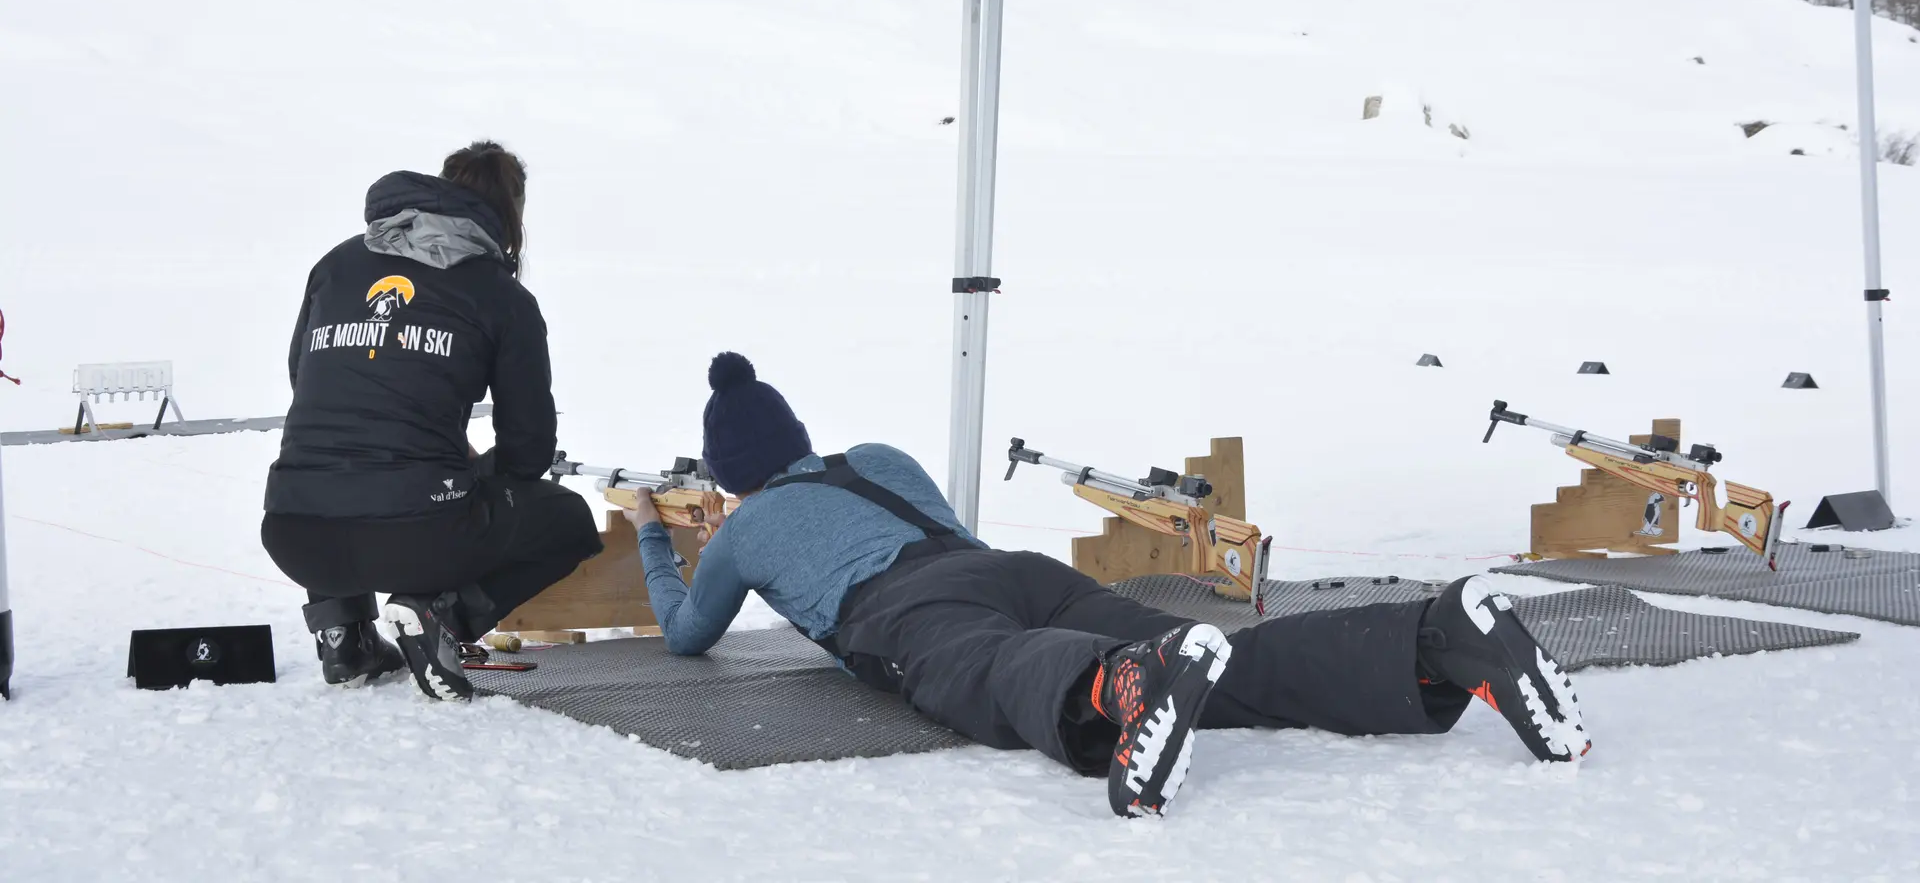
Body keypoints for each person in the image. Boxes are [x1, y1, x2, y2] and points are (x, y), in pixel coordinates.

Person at [627, 352, 1591, 817]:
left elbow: (684, 635)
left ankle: (1119, 686)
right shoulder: (876, 453)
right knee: (1229, 666)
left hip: (912, 612)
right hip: (1014, 570)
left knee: (992, 671)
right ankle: (1437, 636)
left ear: (725, 477)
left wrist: (653, 539)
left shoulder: (745, 528)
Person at [261, 141, 602, 701]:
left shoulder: (337, 263)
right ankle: (443, 615)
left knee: (337, 473)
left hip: (293, 529)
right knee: (568, 519)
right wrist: (471, 472)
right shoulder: (500, 294)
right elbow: (530, 449)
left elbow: (306, 379)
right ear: (511, 211)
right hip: (418, 537)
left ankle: (343, 632)